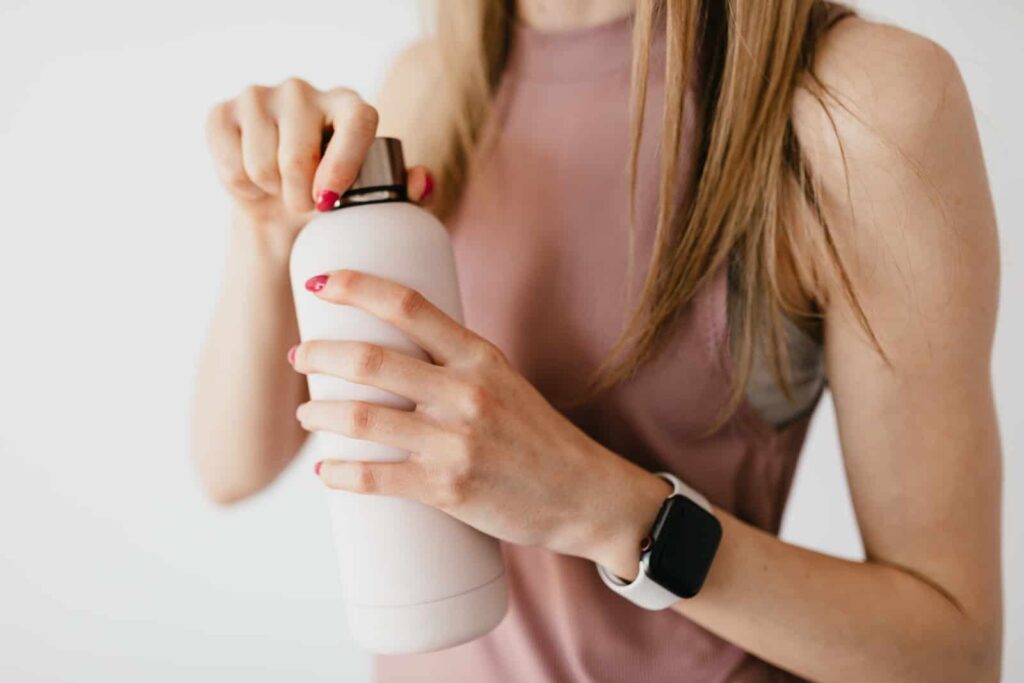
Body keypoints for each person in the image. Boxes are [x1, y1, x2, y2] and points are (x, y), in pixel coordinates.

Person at [190, 1, 1003, 681]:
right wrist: (268, 243)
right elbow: (231, 466)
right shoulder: (435, 84)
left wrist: (604, 510)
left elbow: (954, 651)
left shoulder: (856, 103)